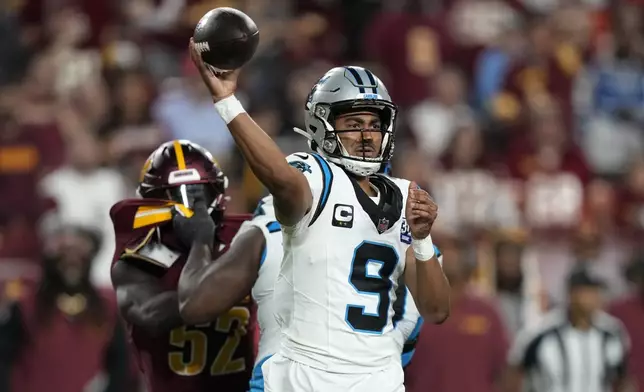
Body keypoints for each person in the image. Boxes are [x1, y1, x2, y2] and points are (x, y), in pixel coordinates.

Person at [188, 39, 451, 392]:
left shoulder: (407, 196)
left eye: (374, 123)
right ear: (322, 126)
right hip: (303, 377)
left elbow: (436, 310)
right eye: (353, 122)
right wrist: (227, 103)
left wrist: (421, 240)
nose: (366, 135)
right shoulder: (314, 175)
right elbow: (280, 177)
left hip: (379, 381)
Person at [109, 140, 258, 392]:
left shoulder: (244, 242)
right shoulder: (140, 258)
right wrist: (204, 247)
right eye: (174, 195)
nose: (190, 207)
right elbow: (150, 314)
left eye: (199, 195)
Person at [0, 224, 130, 392]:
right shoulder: (25, 305)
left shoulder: (106, 307)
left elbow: (120, 368)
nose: (71, 258)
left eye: (79, 248)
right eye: (63, 248)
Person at [505, 268, 631, 392]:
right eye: (587, 292)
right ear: (571, 294)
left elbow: (622, 378)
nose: (594, 298)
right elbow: (513, 374)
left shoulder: (612, 332)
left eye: (596, 292)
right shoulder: (540, 332)